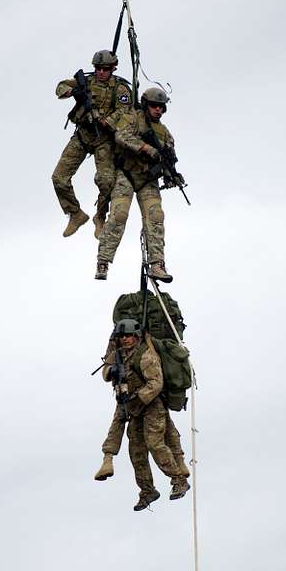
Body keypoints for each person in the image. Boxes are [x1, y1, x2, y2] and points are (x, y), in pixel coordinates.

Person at [98, 318, 190, 511]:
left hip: (150, 405)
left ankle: (178, 480)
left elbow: (156, 383)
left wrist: (137, 398)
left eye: (129, 335)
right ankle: (147, 490)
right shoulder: (117, 355)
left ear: (136, 336)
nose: (126, 339)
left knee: (155, 443)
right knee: (136, 453)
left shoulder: (146, 356)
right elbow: (106, 371)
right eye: (122, 336)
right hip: (130, 406)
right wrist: (112, 371)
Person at [95, 87, 179, 284]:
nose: (158, 110)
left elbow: (169, 158)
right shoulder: (133, 118)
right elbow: (121, 137)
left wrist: (170, 174)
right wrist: (146, 148)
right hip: (127, 174)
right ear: (145, 105)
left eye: (161, 107)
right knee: (119, 215)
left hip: (148, 180)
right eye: (154, 106)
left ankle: (157, 264)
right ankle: (103, 261)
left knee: (155, 216)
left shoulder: (165, 133)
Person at [52, 50, 133, 238]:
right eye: (98, 68)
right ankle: (75, 214)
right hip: (82, 135)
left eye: (105, 69)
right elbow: (60, 86)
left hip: (104, 140)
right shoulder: (86, 82)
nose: (101, 72)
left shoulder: (120, 89)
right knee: (59, 177)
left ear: (113, 68)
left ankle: (100, 216)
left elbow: (127, 113)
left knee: (106, 182)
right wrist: (73, 92)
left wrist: (107, 121)